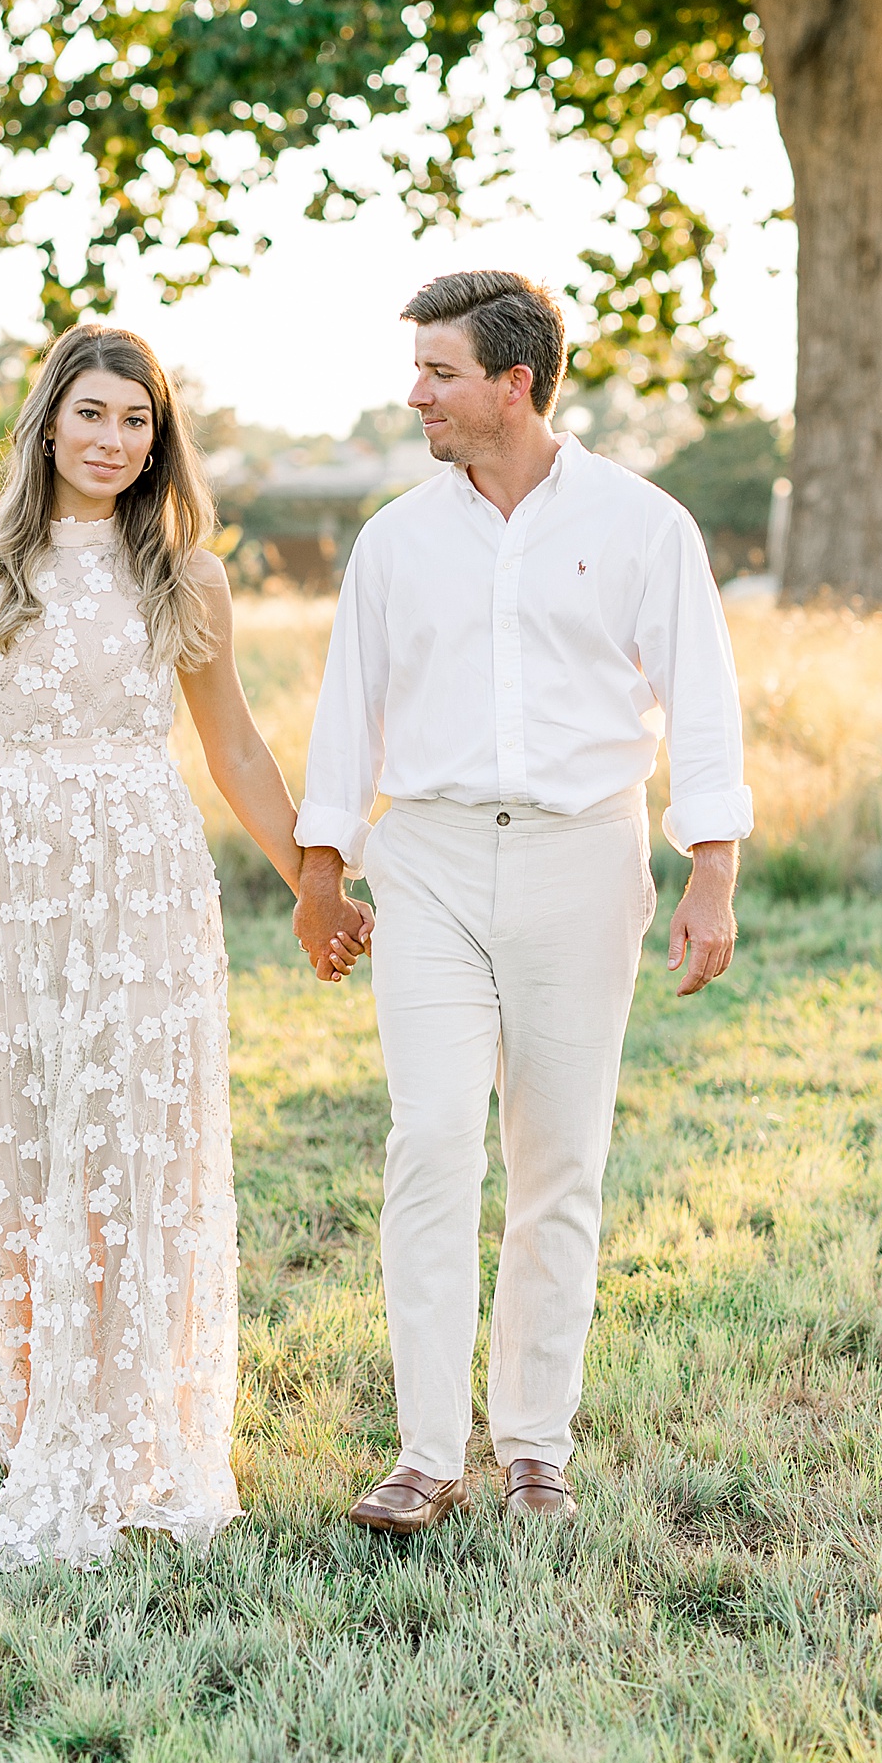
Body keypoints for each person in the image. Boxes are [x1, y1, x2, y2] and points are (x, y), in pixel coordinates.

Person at [292, 270, 751, 1537]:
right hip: (429, 859)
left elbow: (703, 703)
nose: (416, 393)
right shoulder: (394, 539)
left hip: (583, 858)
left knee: (560, 1161)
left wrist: (712, 866)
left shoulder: (645, 524)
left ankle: (535, 1446)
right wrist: (323, 867)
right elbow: (349, 710)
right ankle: (427, 1451)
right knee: (431, 1141)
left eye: (438, 371)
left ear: (515, 382)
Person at [0, 321, 368, 1568]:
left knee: (128, 1150)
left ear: (158, 442)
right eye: (93, 413)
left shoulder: (187, 579)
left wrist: (315, 879)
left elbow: (237, 750)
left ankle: (120, 1421)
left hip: (145, 894)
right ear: (48, 421)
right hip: (12, 894)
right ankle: (31, 1409)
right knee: (25, 1145)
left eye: (138, 420)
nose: (113, 440)